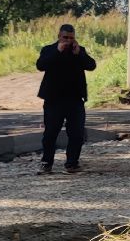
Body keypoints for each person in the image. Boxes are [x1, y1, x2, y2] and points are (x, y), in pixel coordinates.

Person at [35, 23, 97, 174]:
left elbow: (91, 65)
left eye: (71, 38)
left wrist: (79, 54)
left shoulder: (78, 51)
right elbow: (40, 65)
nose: (68, 41)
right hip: (54, 100)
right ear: (59, 36)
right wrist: (57, 51)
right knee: (50, 133)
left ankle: (72, 164)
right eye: (65, 37)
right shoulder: (49, 49)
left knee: (76, 133)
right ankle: (46, 162)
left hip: (75, 100)